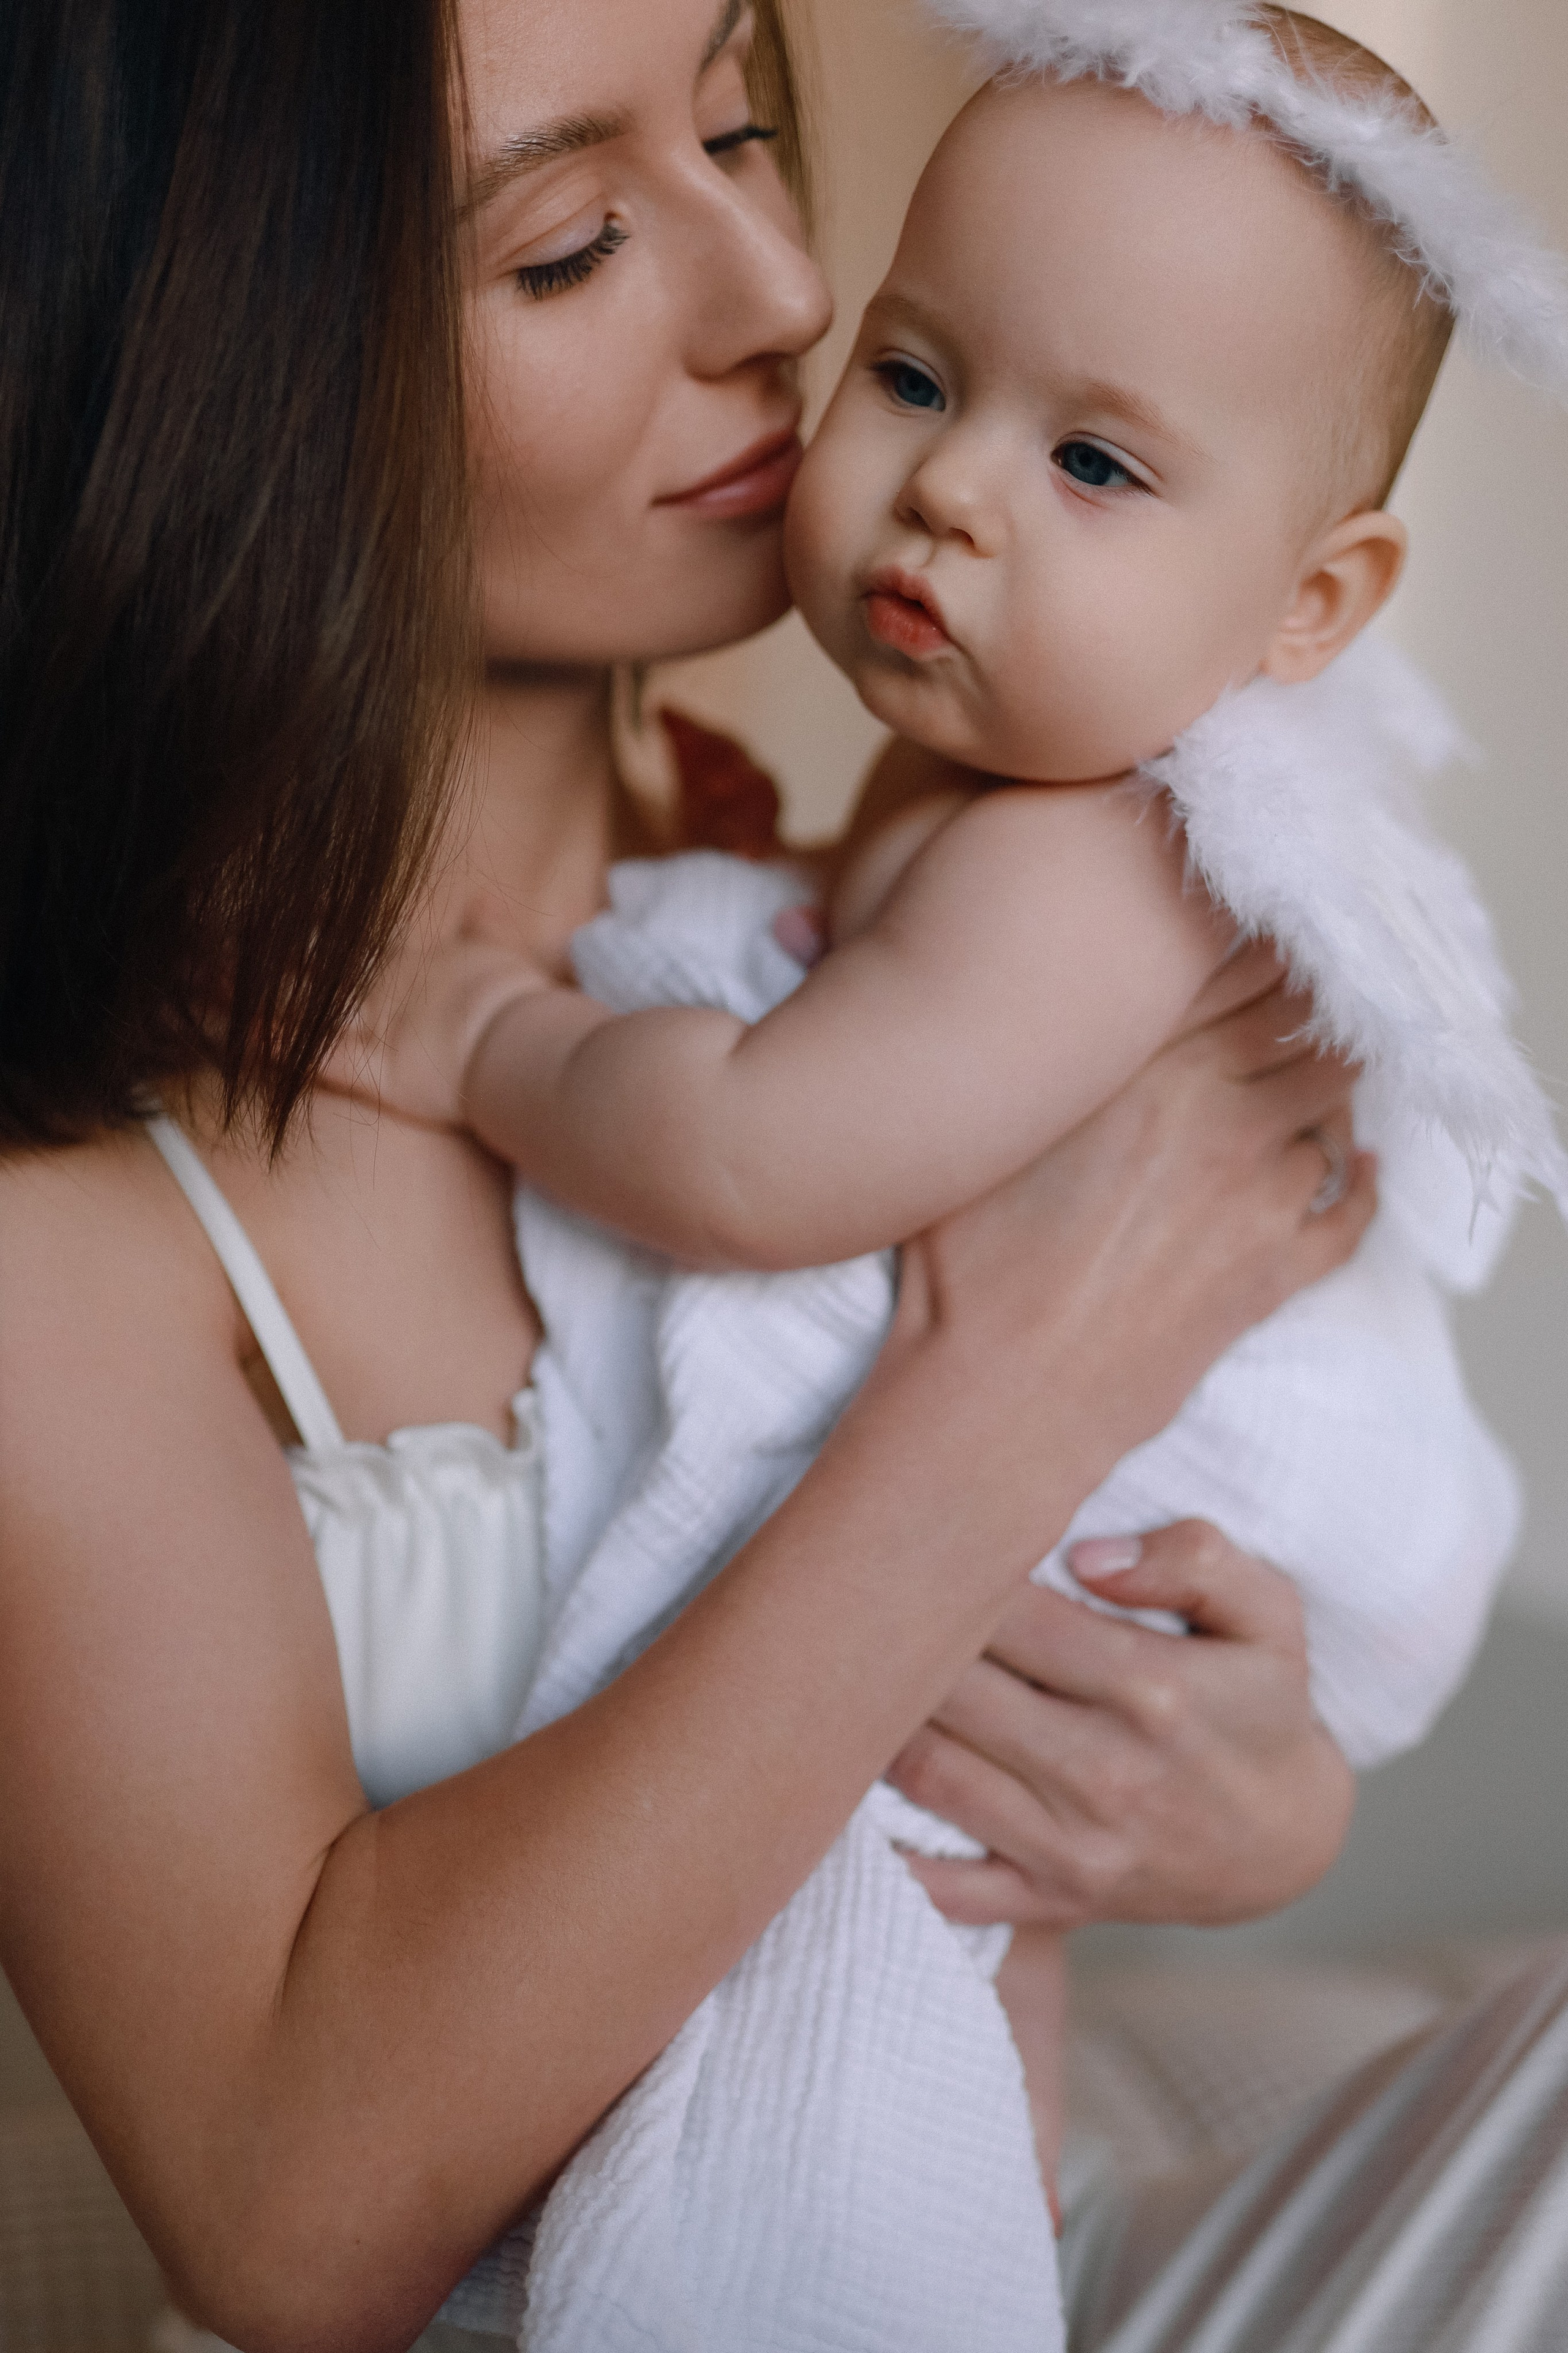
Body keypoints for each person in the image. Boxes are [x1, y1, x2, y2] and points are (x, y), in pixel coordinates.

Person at [0, 2, 1373, 2349]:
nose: (777, 292)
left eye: (745, 128)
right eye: (571, 249)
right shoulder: (74, 1226)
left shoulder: (884, 920)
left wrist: (1245, 1797)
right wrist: (1012, 1375)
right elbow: (290, 2208)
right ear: (217, 374)